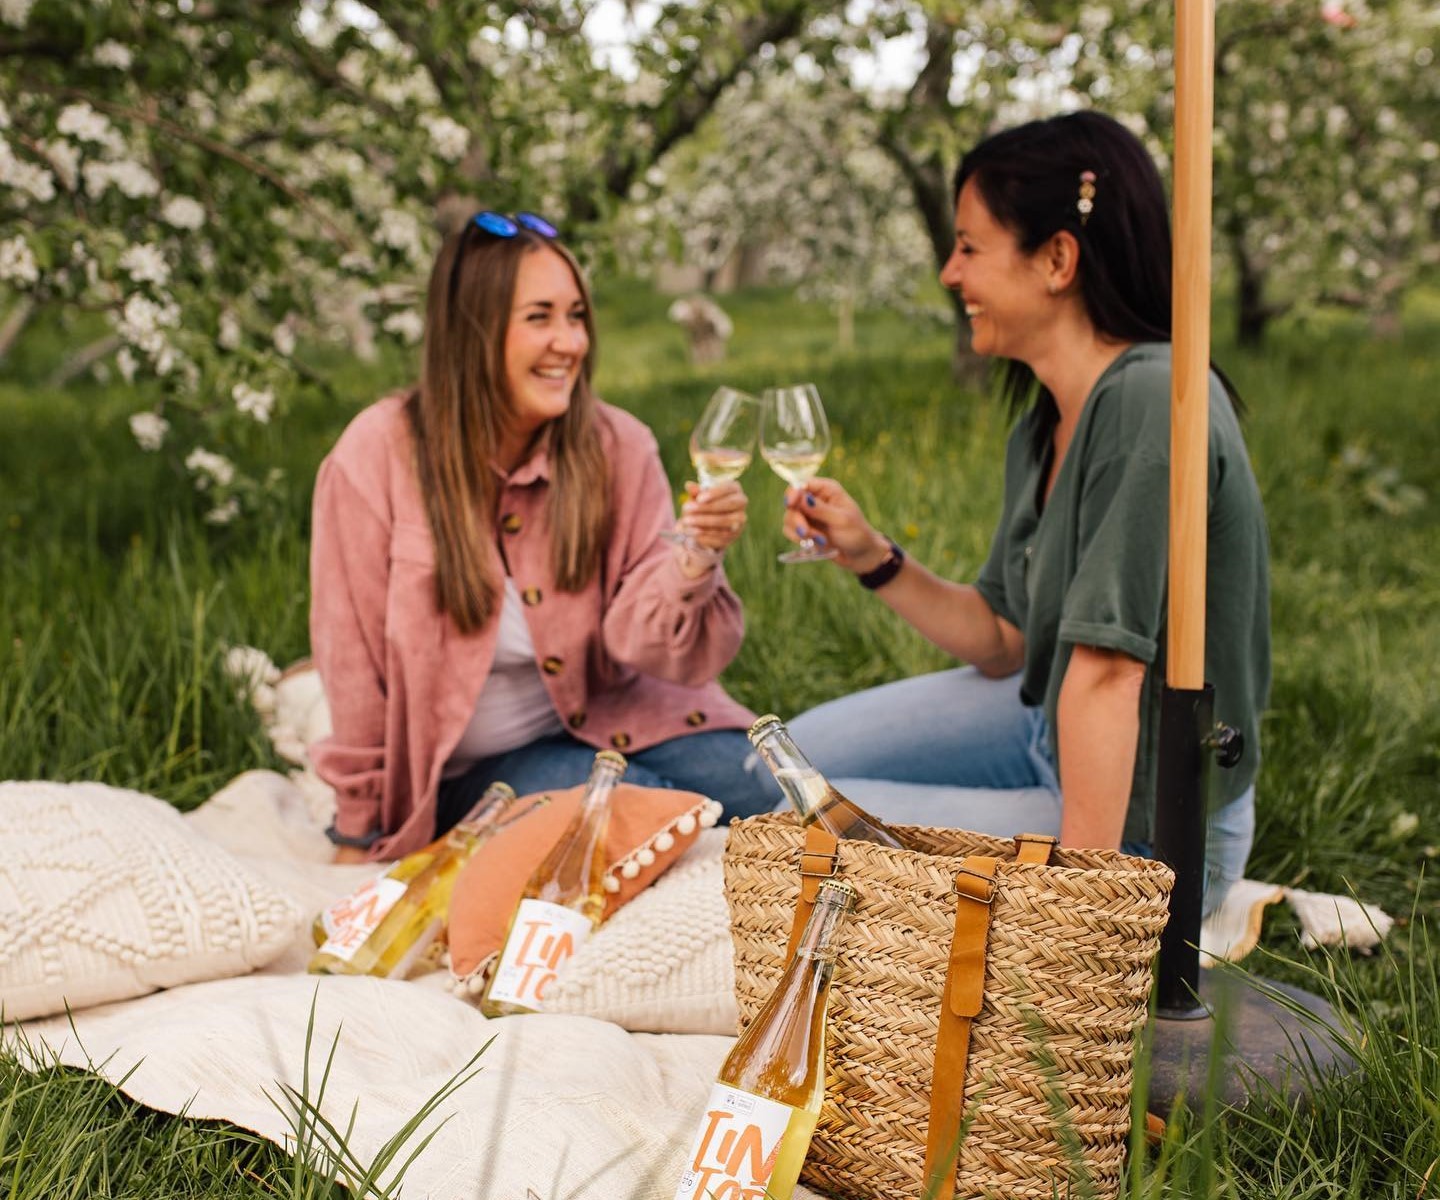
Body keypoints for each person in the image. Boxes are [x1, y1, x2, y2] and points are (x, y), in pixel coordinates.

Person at [780, 112, 1270, 915]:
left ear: (1057, 259)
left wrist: (1077, 911)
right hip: (1046, 729)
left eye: (969, 247)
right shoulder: (1043, 423)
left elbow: (1111, 673)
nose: (948, 272)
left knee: (794, 825)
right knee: (786, 765)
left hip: (1147, 829)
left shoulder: (1152, 400)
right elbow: (1006, 640)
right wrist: (872, 554)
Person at [309, 210, 774, 862]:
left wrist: (693, 562)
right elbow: (352, 664)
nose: (570, 342)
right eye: (540, 317)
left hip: (617, 715)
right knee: (662, 818)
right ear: (473, 329)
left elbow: (645, 646)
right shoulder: (376, 455)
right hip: (477, 771)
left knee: (776, 792)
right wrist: (357, 830)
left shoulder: (618, 447)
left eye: (577, 316)